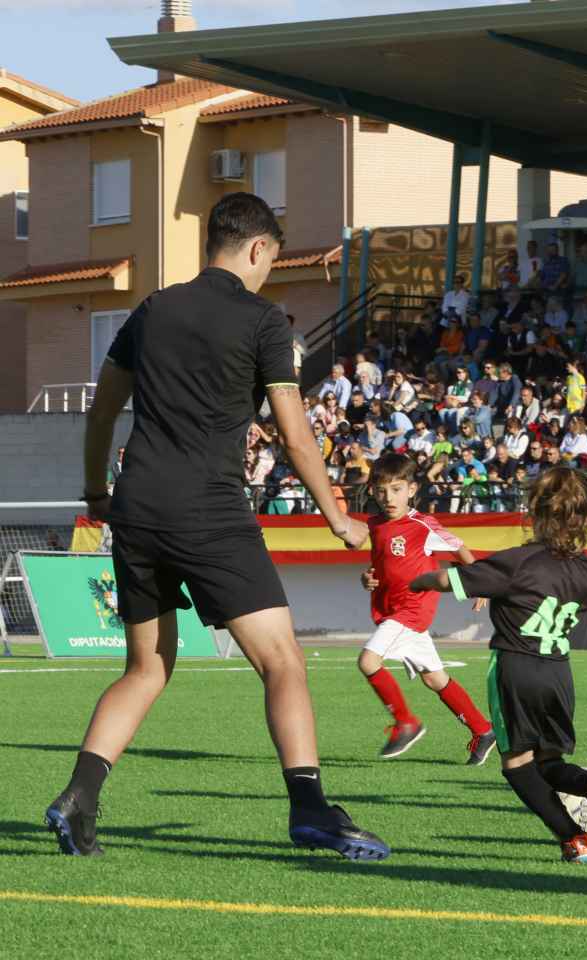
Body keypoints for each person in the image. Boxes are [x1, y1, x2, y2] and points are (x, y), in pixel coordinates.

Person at [47, 194, 386, 860]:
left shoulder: (151, 309)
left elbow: (101, 412)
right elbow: (294, 435)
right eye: (271, 261)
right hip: (208, 508)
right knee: (282, 659)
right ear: (258, 249)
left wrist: (96, 492)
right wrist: (338, 517)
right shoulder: (262, 320)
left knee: (145, 668)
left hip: (137, 506)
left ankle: (79, 795)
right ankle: (311, 808)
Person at [411, 468, 587, 861]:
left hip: (515, 668)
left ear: (535, 513)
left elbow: (447, 580)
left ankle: (572, 838)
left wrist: (415, 582)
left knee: (516, 765)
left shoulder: (517, 562)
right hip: (558, 673)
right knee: (548, 761)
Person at [355, 453, 495, 764]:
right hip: (393, 610)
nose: (388, 497)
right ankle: (483, 730)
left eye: (396, 489)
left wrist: (479, 582)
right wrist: (367, 579)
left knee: (368, 661)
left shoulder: (423, 524)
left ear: (412, 489)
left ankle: (406, 722)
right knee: (435, 678)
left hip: (411, 611)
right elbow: (380, 565)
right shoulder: (375, 524)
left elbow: (459, 547)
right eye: (381, 491)